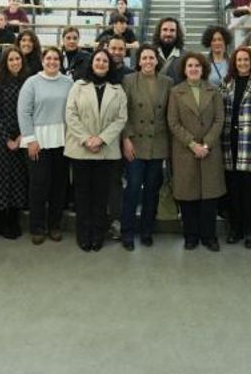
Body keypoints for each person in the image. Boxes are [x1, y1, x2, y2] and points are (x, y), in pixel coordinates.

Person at [64, 50, 128, 252]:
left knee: (101, 196)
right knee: (82, 195)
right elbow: (70, 115)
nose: (101, 63)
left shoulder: (118, 89)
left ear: (110, 65)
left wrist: (101, 139)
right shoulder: (78, 86)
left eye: (105, 61)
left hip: (105, 150)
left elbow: (121, 119)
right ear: (92, 63)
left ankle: (98, 234)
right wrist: (86, 139)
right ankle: (84, 235)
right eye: (97, 60)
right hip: (81, 149)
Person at [167, 52, 225, 251]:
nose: (193, 69)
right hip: (186, 151)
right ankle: (190, 236)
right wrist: (192, 144)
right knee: (187, 197)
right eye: (190, 65)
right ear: (184, 69)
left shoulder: (214, 91)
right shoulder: (175, 92)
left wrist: (206, 145)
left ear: (203, 69)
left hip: (210, 151)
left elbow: (219, 120)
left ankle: (209, 236)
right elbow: (173, 123)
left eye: (197, 66)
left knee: (209, 197)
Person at [19, 47, 75, 244]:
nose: (52, 62)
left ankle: (55, 225)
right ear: (42, 60)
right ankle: (37, 227)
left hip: (62, 140)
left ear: (61, 62)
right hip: (38, 142)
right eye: (48, 58)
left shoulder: (69, 82)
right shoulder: (32, 82)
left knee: (59, 186)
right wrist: (30, 139)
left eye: (56, 59)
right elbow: (24, 112)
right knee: (39, 186)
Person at [119, 45, 172, 250]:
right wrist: (126, 138)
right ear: (139, 61)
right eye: (144, 58)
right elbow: (123, 113)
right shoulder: (128, 80)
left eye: (152, 57)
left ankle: (147, 230)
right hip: (135, 143)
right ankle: (127, 232)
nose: (148, 61)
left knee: (152, 190)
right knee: (132, 189)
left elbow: (169, 114)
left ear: (157, 61)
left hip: (158, 144)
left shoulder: (167, 82)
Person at [221, 46, 251, 248]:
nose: (242, 63)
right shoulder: (227, 83)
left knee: (249, 191)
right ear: (234, 62)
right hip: (229, 141)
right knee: (233, 190)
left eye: (246, 60)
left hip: (250, 143)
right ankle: (236, 229)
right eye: (239, 60)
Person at [0, 45, 28, 239]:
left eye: (18, 59)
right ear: (5, 62)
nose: (15, 62)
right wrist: (8, 139)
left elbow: (30, 110)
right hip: (0, 139)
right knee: (2, 180)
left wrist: (20, 136)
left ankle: (15, 219)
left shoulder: (27, 82)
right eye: (11, 59)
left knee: (18, 180)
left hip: (22, 137)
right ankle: (3, 222)